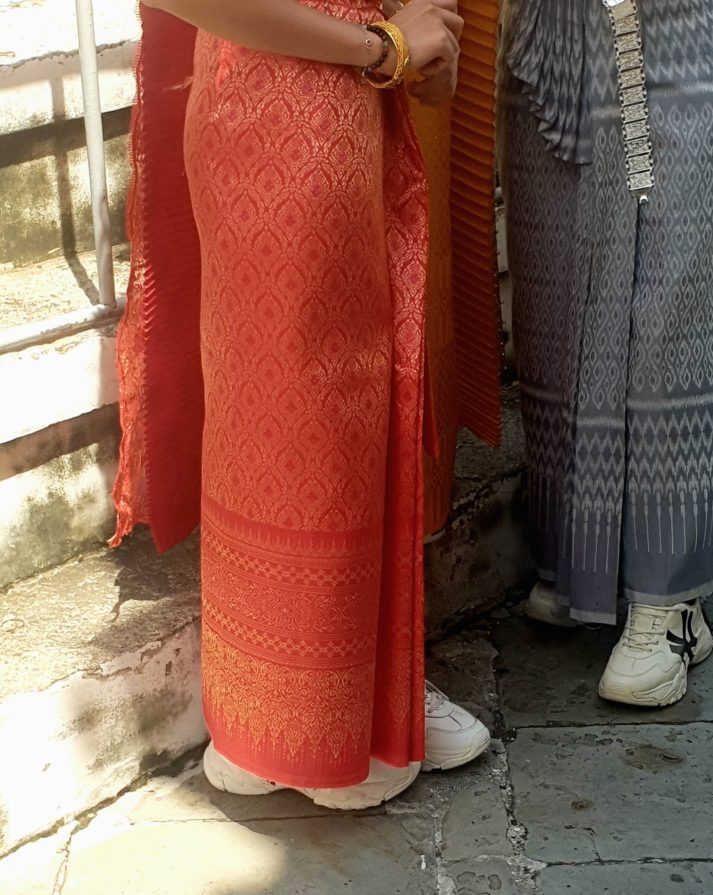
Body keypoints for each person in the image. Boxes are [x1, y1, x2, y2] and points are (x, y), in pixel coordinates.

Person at [112, 0, 492, 809]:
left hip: (331, 102)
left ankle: (307, 714)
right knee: (314, 408)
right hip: (295, 110)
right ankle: (314, 728)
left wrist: (413, 47)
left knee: (300, 409)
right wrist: (383, 47)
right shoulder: (361, 53)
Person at [499, 0, 713, 706]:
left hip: (668, 53)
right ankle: (574, 562)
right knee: (551, 308)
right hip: (550, 54)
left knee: (668, 320)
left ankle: (668, 604)